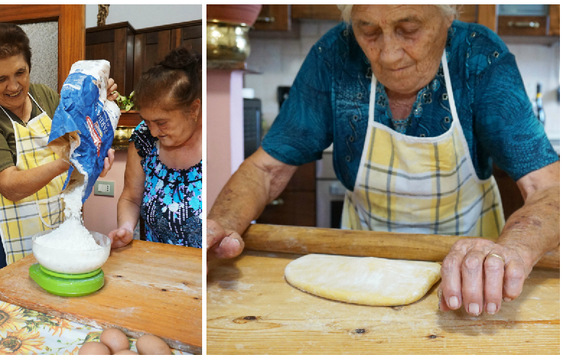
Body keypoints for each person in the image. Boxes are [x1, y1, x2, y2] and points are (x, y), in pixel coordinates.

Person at [207, 5, 559, 317]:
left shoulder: (479, 58)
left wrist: (510, 252)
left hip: (472, 268)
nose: (388, 55)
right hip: (363, 261)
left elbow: (550, 187)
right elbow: (265, 170)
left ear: (448, 16)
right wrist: (220, 224)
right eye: (368, 31)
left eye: (409, 30)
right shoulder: (333, 56)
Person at [0, 23, 117, 274]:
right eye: (1, 79)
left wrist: (99, 110)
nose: (14, 86)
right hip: (8, 231)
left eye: (20, 73)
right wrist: (69, 161)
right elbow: (10, 186)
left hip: (58, 217)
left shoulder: (44, 96)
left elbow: (78, 140)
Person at [108, 47, 202, 248]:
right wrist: (125, 228)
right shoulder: (143, 138)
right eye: (147, 121)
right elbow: (131, 197)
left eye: (161, 122)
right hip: (156, 266)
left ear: (194, 109)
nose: (152, 131)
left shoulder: (216, 141)